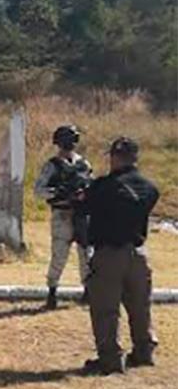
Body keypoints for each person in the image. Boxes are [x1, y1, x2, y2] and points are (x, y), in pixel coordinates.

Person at [82, 136, 159, 375]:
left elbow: (84, 206)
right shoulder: (148, 187)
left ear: (114, 157)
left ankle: (111, 359)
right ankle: (144, 351)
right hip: (138, 253)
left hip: (109, 253)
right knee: (139, 306)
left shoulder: (103, 186)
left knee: (106, 308)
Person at [34, 125, 93, 310]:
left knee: (86, 255)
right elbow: (39, 191)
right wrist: (60, 192)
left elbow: (92, 185)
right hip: (62, 214)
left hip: (82, 214)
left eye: (72, 140)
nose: (69, 144)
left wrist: (85, 194)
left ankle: (88, 292)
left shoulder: (84, 164)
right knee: (59, 255)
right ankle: (52, 292)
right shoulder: (52, 165)